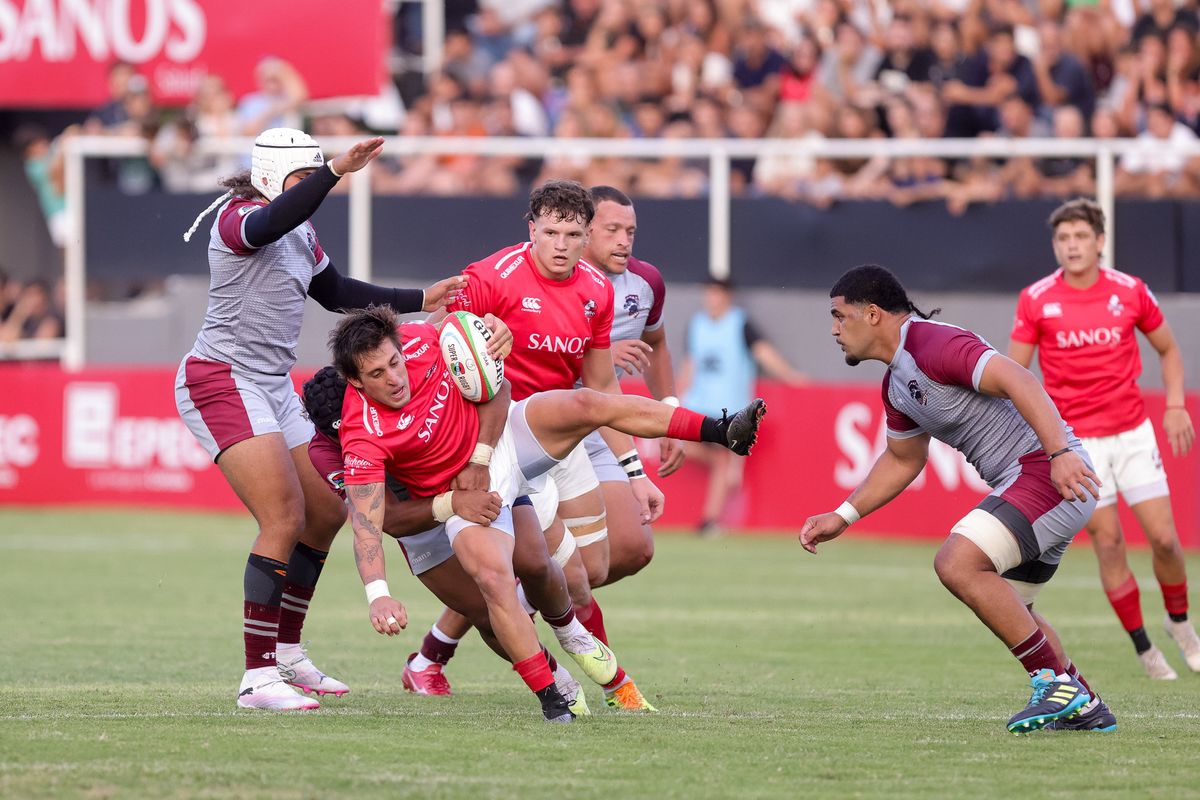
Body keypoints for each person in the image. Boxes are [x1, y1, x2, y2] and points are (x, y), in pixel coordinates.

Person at [173, 128, 490, 711]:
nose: (309, 190)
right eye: (299, 178)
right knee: (284, 515)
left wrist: (423, 297)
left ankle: (288, 654)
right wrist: (336, 171)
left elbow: (338, 290)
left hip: (270, 383)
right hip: (221, 377)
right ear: (271, 178)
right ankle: (257, 677)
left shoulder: (301, 231)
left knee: (321, 512)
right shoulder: (237, 217)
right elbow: (272, 221)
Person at [331, 306, 765, 721]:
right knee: (495, 582)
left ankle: (721, 429)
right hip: (462, 493)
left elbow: (496, 388)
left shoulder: (426, 339)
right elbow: (369, 525)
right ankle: (553, 696)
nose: (394, 377)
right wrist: (378, 594)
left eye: (394, 362)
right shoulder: (360, 435)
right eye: (377, 373)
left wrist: (490, 344)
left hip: (496, 444)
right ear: (355, 381)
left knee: (586, 406)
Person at [801, 264, 1113, 734]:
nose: (833, 329)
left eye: (839, 316)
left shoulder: (932, 344)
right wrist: (844, 516)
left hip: (1048, 473)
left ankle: (1051, 683)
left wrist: (1061, 453)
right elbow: (904, 459)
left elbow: (1020, 380)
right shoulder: (895, 383)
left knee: (958, 563)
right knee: (1015, 610)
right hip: (1036, 478)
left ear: (871, 314)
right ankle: (1084, 702)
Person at [429, 179, 665, 711]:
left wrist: (634, 469)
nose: (561, 243)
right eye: (551, 231)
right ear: (531, 228)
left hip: (565, 436)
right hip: (504, 439)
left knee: (594, 570)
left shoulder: (597, 289)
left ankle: (448, 645)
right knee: (550, 573)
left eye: (573, 233)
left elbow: (602, 387)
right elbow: (441, 339)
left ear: (585, 238)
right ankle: (578, 680)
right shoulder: (490, 277)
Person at [302, 366, 593, 716]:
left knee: (536, 564)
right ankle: (557, 683)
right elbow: (389, 520)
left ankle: (573, 634)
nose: (355, 436)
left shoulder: (401, 374)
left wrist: (480, 457)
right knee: (487, 612)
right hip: (421, 522)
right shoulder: (323, 452)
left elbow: (497, 387)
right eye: (343, 436)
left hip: (471, 473)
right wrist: (451, 504)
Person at [1008, 198, 1200, 680]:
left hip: (1132, 433)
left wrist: (1175, 404)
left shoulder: (1130, 291)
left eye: (1080, 237)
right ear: (1055, 246)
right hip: (1077, 446)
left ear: (1099, 242)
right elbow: (1014, 375)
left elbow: (1169, 350)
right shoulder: (1036, 299)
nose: (1072, 247)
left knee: (1164, 540)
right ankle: (1144, 649)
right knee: (1109, 543)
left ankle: (1179, 624)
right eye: (1063, 239)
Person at [578, 185, 684, 583]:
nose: (624, 241)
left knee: (633, 547)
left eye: (631, 231)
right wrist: (600, 353)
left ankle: (526, 603)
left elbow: (656, 345)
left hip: (601, 429)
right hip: (541, 421)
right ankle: (439, 645)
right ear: (585, 230)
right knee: (527, 554)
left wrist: (670, 414)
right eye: (613, 230)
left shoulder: (646, 283)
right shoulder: (553, 276)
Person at [679, 278, 805, 537]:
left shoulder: (740, 323)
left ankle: (710, 520)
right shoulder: (697, 325)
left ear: (727, 296)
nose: (711, 299)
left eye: (716, 294)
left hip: (729, 410)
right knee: (688, 449)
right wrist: (675, 399)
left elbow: (763, 353)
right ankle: (727, 475)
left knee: (723, 461)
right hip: (697, 405)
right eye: (708, 294)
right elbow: (690, 364)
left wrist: (792, 377)